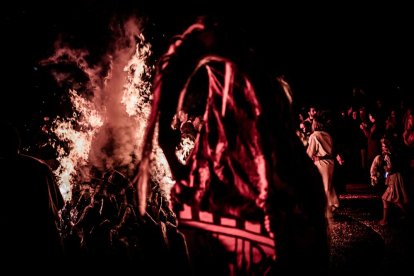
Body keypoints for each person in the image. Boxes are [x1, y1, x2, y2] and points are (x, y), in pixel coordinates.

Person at [134, 16, 329, 275]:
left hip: (263, 178)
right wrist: (166, 146)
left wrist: (167, 146)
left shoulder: (253, 70)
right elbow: (185, 54)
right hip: (240, 178)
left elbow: (186, 54)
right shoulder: (224, 45)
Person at [0, 120, 64, 269]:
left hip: (19, 246)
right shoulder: (41, 167)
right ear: (18, 143)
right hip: (48, 242)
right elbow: (59, 204)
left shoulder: (0, 172)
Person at [306, 111, 340, 220]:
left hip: (321, 163)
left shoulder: (314, 136)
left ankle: (327, 212)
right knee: (328, 184)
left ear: (315, 124)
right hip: (330, 162)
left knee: (324, 186)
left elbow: (310, 152)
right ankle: (334, 204)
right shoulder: (327, 134)